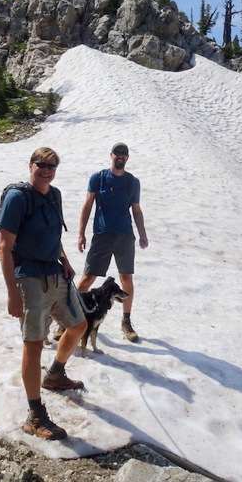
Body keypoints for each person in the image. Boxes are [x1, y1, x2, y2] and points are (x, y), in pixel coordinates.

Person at [0, 147, 88, 441]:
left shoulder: (54, 194)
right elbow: (4, 246)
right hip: (29, 278)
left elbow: (54, 233)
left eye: (52, 166)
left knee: (78, 325)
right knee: (34, 343)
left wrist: (65, 259)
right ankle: (35, 415)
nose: (47, 170)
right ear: (30, 165)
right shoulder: (17, 198)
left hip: (55, 271)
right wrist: (12, 293)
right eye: (41, 165)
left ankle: (55, 374)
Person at [76, 142, 148, 341]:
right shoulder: (98, 179)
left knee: (126, 279)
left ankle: (126, 321)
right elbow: (87, 205)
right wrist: (81, 233)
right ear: (111, 155)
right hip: (102, 235)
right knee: (87, 278)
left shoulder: (132, 182)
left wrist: (142, 234)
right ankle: (71, 317)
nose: (120, 157)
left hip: (125, 236)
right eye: (117, 153)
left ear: (127, 157)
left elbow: (136, 209)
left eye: (124, 154)